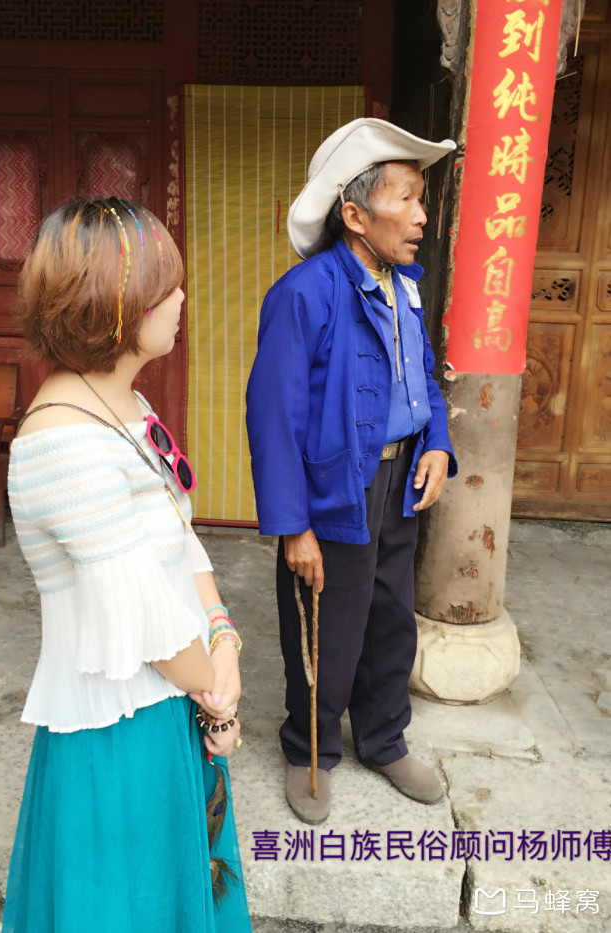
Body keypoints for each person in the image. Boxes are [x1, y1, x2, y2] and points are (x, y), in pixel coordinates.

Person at [2, 197, 251, 932]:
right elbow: (143, 616)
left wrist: (222, 633)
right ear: (116, 304)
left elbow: (178, 535)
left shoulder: (125, 404)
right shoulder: (63, 444)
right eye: (166, 285)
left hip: (171, 697)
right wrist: (218, 694)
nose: (181, 299)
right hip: (116, 735)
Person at [246, 119, 458, 824]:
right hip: (336, 487)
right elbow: (272, 419)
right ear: (356, 215)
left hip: (400, 483)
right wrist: (294, 527)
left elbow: (423, 379)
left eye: (422, 199)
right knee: (327, 625)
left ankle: (384, 738)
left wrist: (436, 442)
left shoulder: (405, 286)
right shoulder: (305, 294)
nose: (422, 216)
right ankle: (309, 747)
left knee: (391, 617)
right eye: (407, 198)